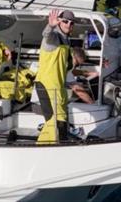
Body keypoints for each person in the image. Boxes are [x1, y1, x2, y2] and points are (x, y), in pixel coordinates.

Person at [35, 9, 75, 144]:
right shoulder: (54, 38)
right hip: (47, 86)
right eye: (65, 21)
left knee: (62, 122)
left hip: (59, 89)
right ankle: (43, 148)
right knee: (52, 123)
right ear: (59, 22)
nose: (68, 24)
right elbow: (46, 35)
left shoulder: (66, 41)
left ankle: (62, 146)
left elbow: (67, 65)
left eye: (71, 23)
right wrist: (50, 25)